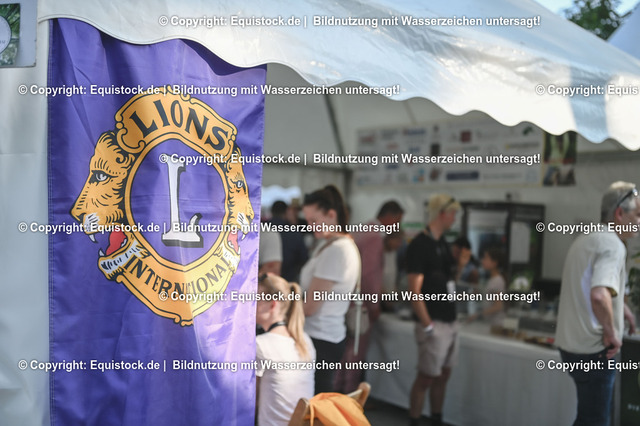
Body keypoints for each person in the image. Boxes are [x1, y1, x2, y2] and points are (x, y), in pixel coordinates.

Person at [555, 181, 640, 426]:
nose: (639, 221)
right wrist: (612, 333)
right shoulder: (613, 245)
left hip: (571, 348)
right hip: (595, 350)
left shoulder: (586, 238)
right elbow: (599, 295)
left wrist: (622, 310)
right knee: (595, 421)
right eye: (637, 214)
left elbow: (590, 287)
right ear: (619, 214)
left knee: (588, 417)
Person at [334, 201, 404, 393]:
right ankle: (348, 397)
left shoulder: (363, 229)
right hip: (360, 305)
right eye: (398, 221)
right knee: (354, 354)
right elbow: (369, 275)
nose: (397, 226)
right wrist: (373, 305)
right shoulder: (374, 236)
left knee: (346, 353)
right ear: (391, 217)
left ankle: (338, 393)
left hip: (348, 300)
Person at [300, 185, 360, 394]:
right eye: (308, 221)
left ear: (332, 215)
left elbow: (310, 307)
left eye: (314, 220)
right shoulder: (330, 244)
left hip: (321, 337)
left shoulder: (337, 250)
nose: (310, 226)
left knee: (315, 401)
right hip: (322, 335)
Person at [407, 194, 460, 426]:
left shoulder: (443, 244)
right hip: (433, 322)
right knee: (426, 377)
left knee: (443, 375)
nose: (455, 218)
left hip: (449, 319)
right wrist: (427, 325)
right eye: (453, 213)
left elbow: (450, 281)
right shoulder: (420, 245)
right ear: (442, 214)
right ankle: (415, 420)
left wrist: (462, 265)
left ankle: (436, 417)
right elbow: (414, 290)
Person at [255, 273, 315, 426]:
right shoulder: (305, 341)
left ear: (272, 305)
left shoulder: (261, 345)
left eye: (255, 298)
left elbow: (248, 399)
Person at [466, 246, 506, 327]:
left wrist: (478, 315)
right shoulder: (491, 279)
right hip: (489, 323)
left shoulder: (498, 281)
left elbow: (498, 306)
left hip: (496, 325)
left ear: (494, 263)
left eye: (486, 258)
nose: (482, 261)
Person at [270, 200, 309, 282]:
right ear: (286, 212)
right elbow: (304, 258)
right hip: (288, 280)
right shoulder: (293, 232)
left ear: (271, 212)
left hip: (265, 281)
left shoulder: (260, 230)